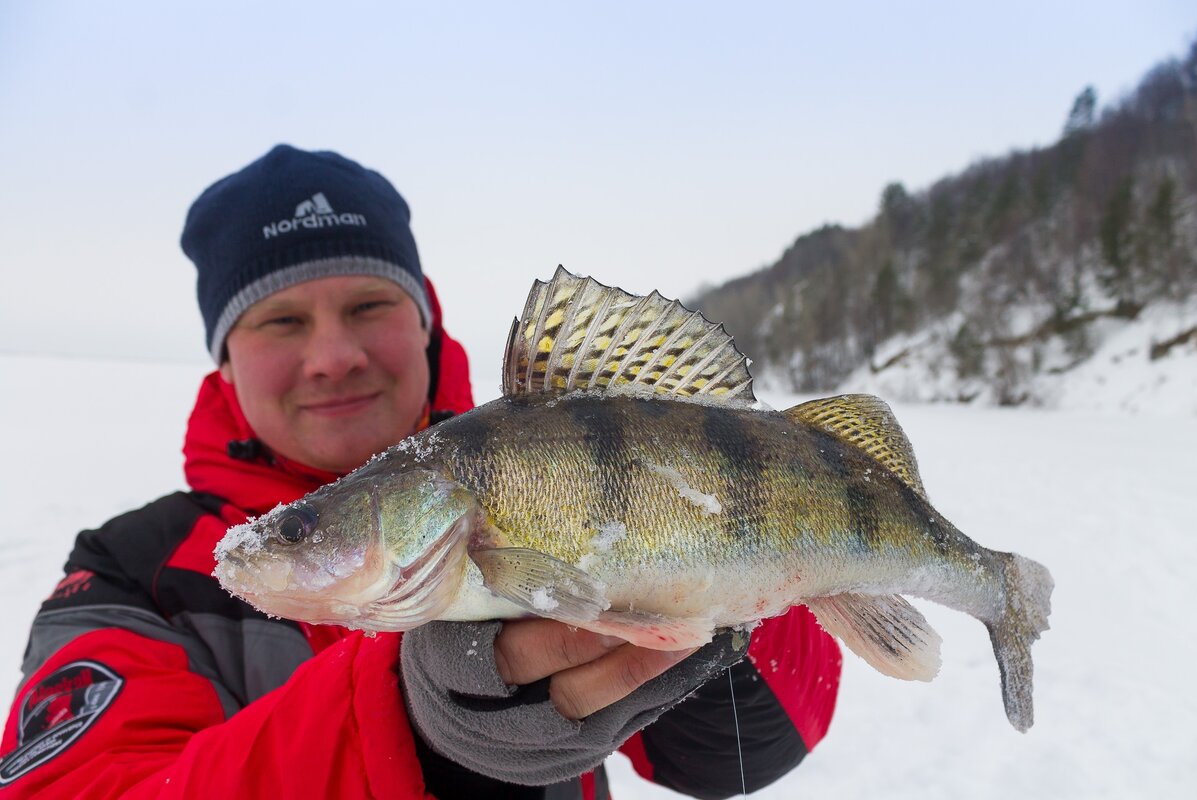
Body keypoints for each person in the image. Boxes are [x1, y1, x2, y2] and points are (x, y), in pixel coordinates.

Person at [0, 145, 842, 799]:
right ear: (224, 365)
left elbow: (742, 756)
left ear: (428, 325)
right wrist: (414, 722)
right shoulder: (130, 573)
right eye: (281, 320)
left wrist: (719, 591)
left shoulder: (537, 463)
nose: (333, 355)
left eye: (370, 306)